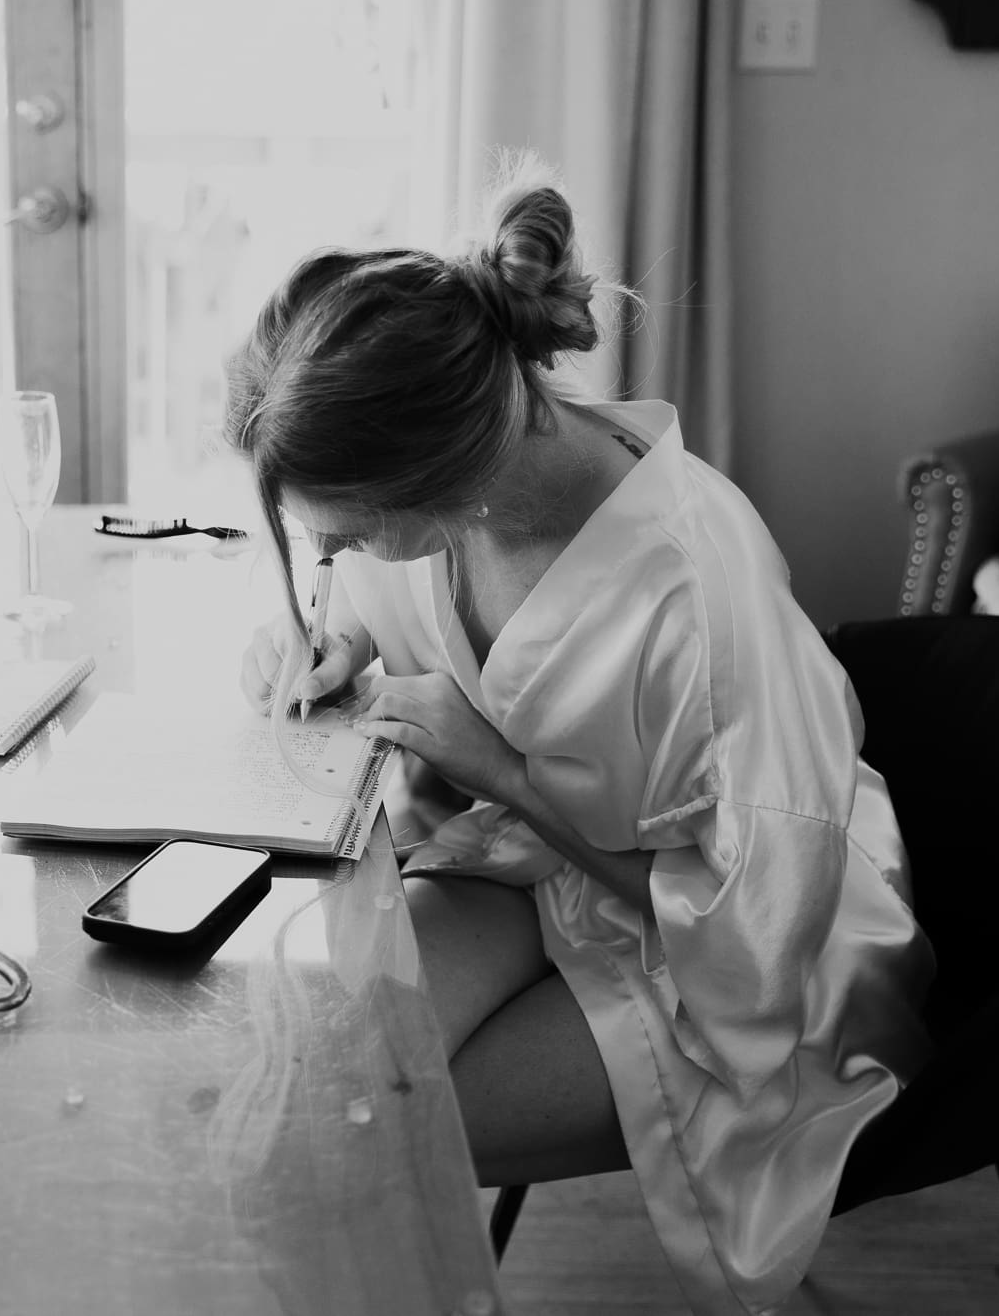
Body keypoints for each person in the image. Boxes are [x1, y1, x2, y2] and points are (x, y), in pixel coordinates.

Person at [224, 156, 935, 1316]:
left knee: (364, 1140)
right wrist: (337, 645)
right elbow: (385, 598)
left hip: (753, 943)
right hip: (532, 866)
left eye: (345, 537)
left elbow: (755, 933)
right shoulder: (464, 483)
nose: (329, 566)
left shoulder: (690, 593)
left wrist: (501, 770)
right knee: (310, 1086)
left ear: (443, 493)